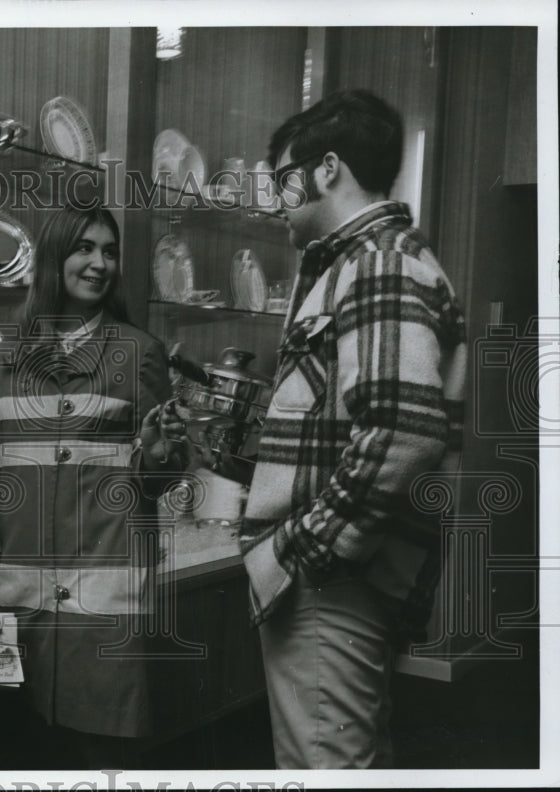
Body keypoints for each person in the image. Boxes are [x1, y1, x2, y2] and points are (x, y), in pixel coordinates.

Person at [239, 89, 467, 769]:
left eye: (285, 179)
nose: (278, 198)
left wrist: (311, 551)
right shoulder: (373, 259)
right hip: (348, 582)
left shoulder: (376, 261)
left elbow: (404, 433)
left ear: (328, 170)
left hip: (333, 586)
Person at [0, 206, 187, 769]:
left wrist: (161, 456)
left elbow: (155, 482)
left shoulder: (140, 353)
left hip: (102, 607)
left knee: (98, 759)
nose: (99, 263)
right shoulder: (6, 360)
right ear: (54, 257)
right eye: (84, 248)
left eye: (109, 251)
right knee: (12, 757)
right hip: (11, 602)